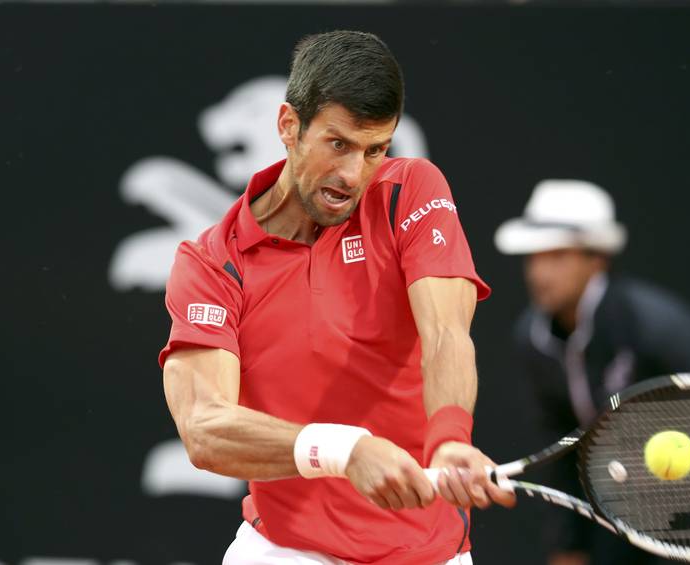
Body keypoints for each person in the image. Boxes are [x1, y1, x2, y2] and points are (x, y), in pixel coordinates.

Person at [159, 30, 514, 565]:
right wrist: (344, 450)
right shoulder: (213, 261)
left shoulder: (408, 192)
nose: (352, 175)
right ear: (288, 127)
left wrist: (449, 437)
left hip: (428, 554)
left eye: (375, 150)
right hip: (284, 551)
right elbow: (205, 429)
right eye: (338, 144)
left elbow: (445, 332)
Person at [494, 179, 690, 565]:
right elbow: (565, 445)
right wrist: (569, 546)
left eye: (557, 255)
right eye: (533, 257)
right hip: (615, 512)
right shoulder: (531, 339)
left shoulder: (658, 328)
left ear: (596, 260)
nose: (538, 272)